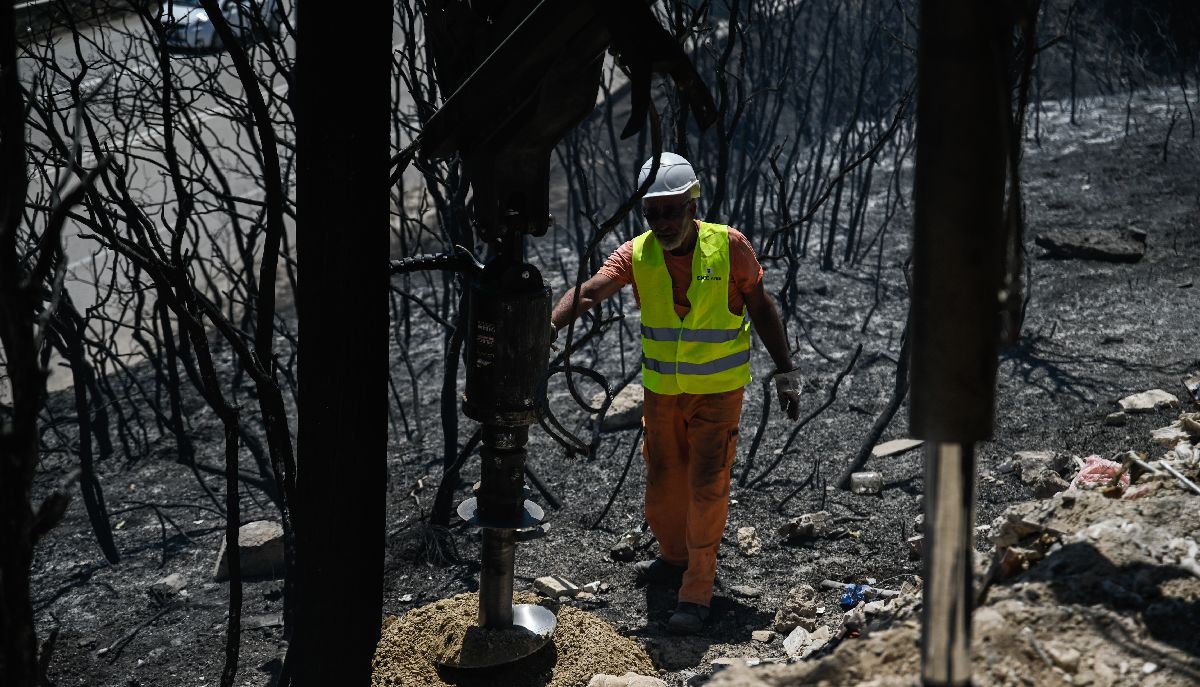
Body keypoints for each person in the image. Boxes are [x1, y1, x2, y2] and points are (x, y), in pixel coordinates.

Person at [551, 152, 802, 634]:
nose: (662, 222)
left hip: (717, 394)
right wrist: (548, 324)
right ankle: (672, 558)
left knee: (707, 488)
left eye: (671, 210)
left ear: (692, 205)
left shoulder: (730, 247)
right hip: (662, 394)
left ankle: (696, 593)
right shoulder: (636, 252)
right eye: (653, 213)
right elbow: (589, 291)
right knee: (664, 487)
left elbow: (761, 306)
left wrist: (786, 372)